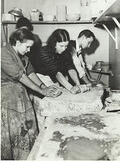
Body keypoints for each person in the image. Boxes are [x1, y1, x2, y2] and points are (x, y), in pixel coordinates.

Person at [1, 28, 61, 160]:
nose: (28, 50)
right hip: (5, 100)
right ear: (17, 42)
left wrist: (45, 87)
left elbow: (31, 73)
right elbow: (21, 76)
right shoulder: (3, 53)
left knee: (24, 132)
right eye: (27, 47)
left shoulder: (24, 57)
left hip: (20, 98)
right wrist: (41, 91)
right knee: (9, 135)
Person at [36, 29, 86, 94]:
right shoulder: (43, 52)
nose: (64, 49)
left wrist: (78, 85)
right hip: (40, 79)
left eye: (66, 46)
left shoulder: (66, 51)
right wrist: (71, 88)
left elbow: (70, 68)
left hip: (56, 78)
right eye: (61, 46)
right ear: (54, 43)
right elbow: (56, 73)